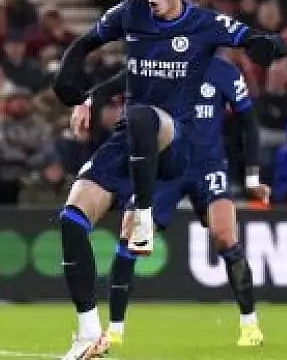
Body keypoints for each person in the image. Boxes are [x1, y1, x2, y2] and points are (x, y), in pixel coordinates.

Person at [50, 0, 287, 359]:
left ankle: (144, 215)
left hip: (174, 140)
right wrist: (74, 89)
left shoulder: (205, 24)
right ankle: (90, 333)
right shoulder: (131, 13)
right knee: (72, 219)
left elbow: (260, 40)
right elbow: (86, 43)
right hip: (130, 140)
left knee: (143, 116)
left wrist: (267, 45)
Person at [72, 54, 267, 349]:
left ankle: (249, 324)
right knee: (130, 236)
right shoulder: (159, 63)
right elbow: (116, 83)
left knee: (225, 237)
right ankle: (114, 330)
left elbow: (248, 123)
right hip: (165, 166)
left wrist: (252, 177)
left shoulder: (224, 71)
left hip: (207, 166)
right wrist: (88, 101)